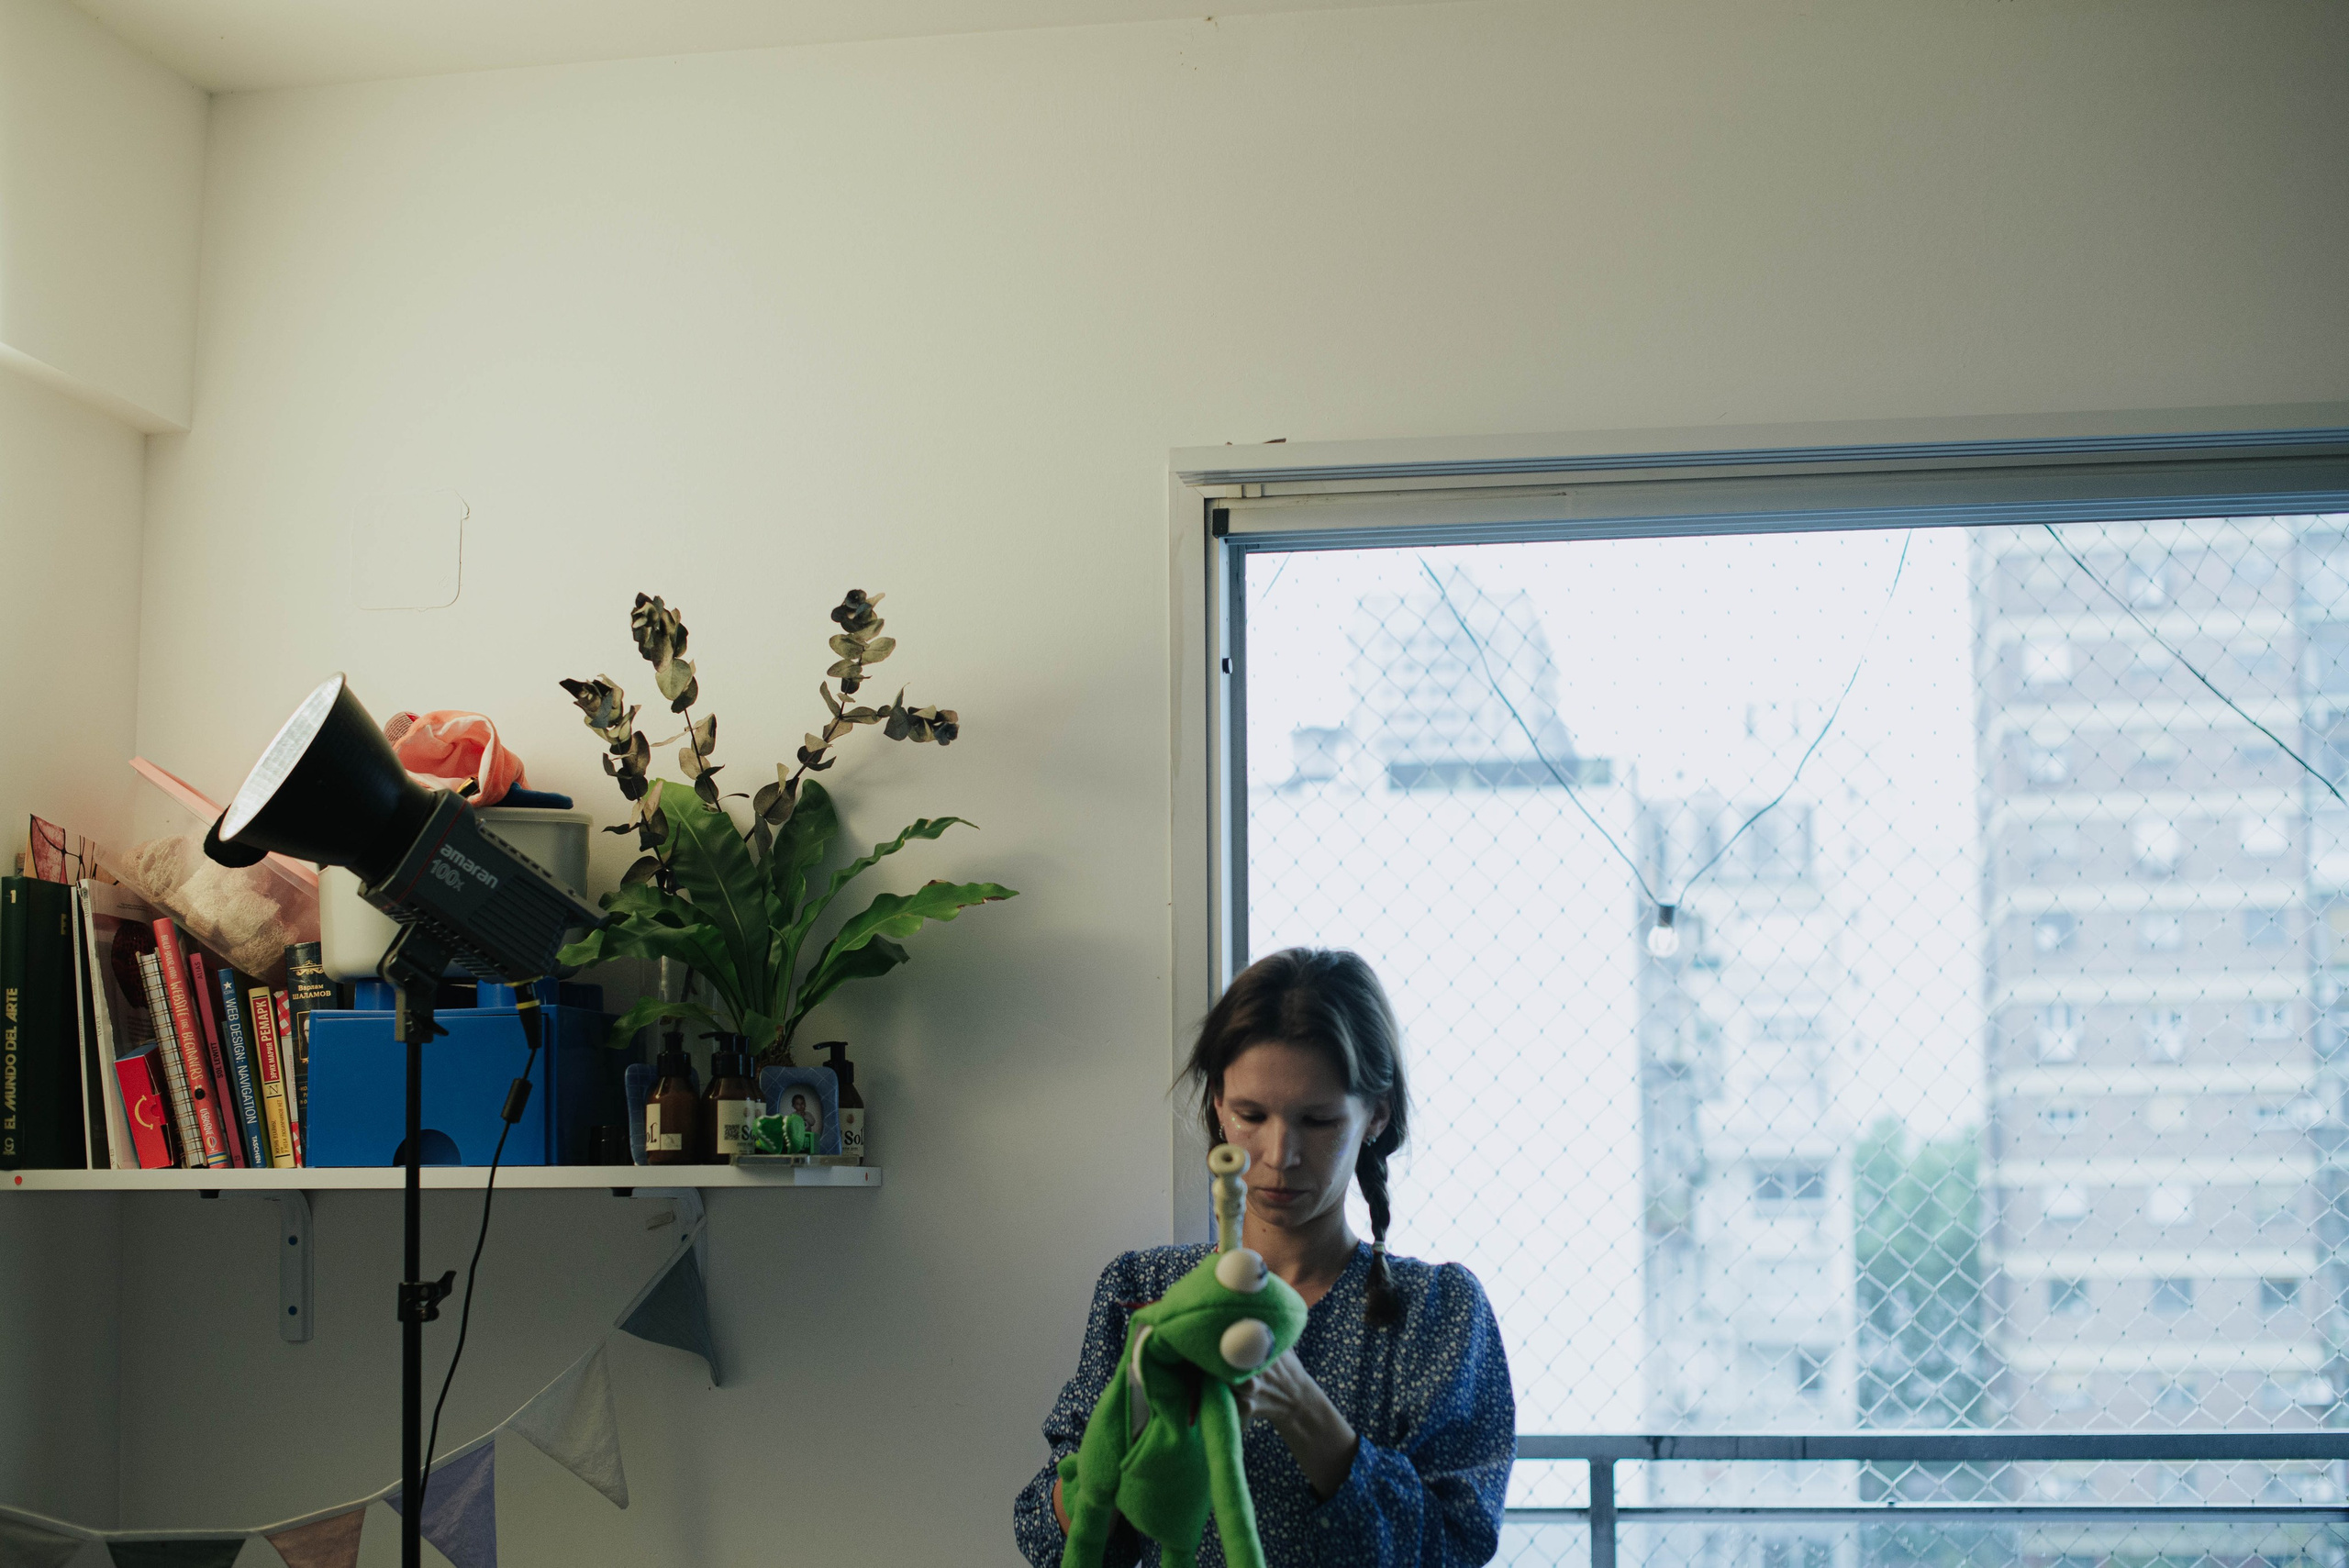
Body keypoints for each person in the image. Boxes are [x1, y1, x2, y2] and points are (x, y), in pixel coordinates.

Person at [1013, 948, 1514, 1567]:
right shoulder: (1143, 1291)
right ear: (1219, 1106)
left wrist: (1304, 1409)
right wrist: (1123, 1430)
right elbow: (1047, 1537)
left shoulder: (1437, 1314)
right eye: (1252, 1114)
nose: (1279, 1153)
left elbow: (1454, 1547)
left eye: (1319, 1120)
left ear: (1376, 1115)